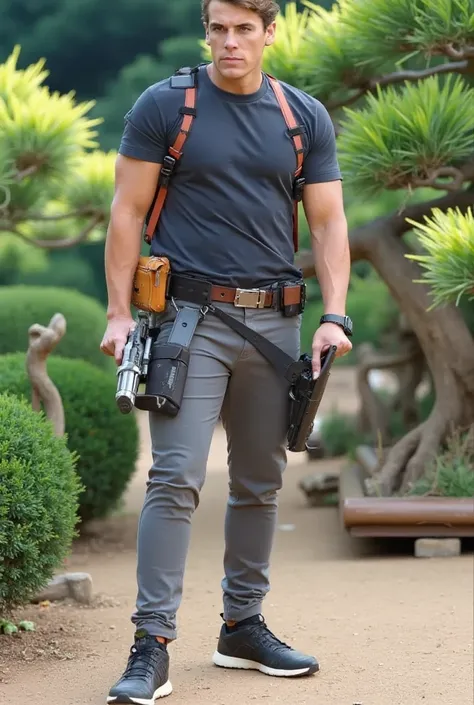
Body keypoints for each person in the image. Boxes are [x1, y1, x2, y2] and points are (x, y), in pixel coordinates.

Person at [100, 0, 353, 702]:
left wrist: (335, 315)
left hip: (276, 326)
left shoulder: (303, 116)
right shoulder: (166, 106)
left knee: (261, 481)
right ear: (206, 29)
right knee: (175, 477)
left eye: (245, 29)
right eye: (219, 28)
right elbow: (125, 210)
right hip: (186, 320)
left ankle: (242, 624)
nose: (230, 41)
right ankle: (151, 644)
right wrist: (120, 313)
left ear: (270, 32)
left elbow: (329, 223)